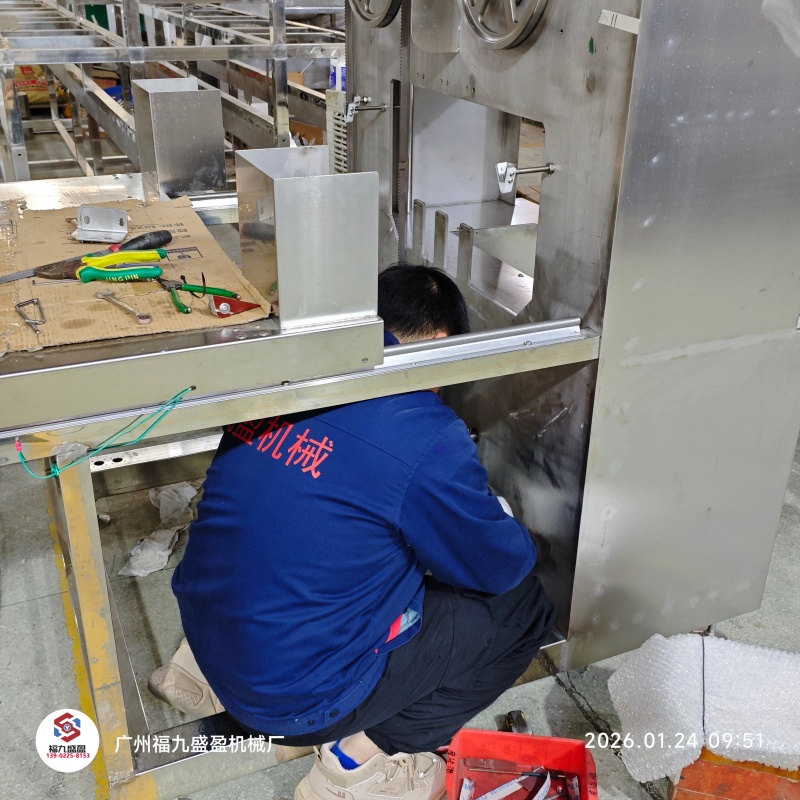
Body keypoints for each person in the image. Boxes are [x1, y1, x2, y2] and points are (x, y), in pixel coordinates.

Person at [157, 264, 555, 800]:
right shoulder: (422, 427)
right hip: (294, 700)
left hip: (209, 632)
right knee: (524, 608)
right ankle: (360, 763)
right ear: (440, 343)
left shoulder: (284, 378)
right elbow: (498, 567)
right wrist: (505, 526)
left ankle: (198, 673)